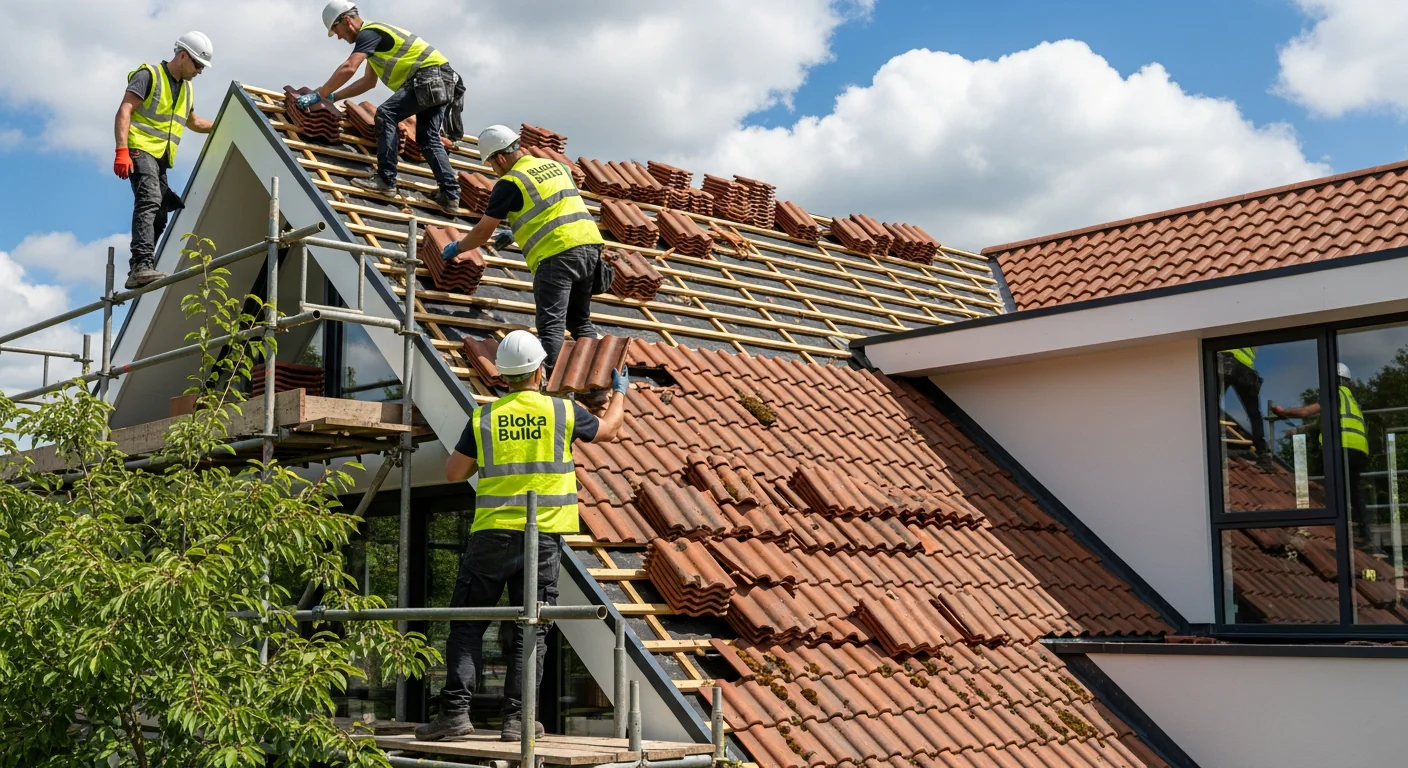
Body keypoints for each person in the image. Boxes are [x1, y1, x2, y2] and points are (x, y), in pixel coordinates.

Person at [416, 330, 628, 742]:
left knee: (467, 625)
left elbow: (454, 473)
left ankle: (455, 715)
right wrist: (620, 394)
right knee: (531, 628)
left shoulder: (484, 417)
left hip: (490, 537)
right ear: (540, 372)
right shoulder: (562, 412)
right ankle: (518, 721)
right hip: (542, 539)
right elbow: (608, 431)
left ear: (504, 376)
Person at [441, 126, 606, 374]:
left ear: (501, 157)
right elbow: (554, 205)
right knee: (580, 321)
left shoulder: (510, 183)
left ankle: (552, 387)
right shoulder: (556, 166)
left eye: (492, 165)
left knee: (551, 325)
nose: (494, 171)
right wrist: (515, 231)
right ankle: (598, 382)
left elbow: (482, 232)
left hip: (556, 254)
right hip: (590, 247)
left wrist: (458, 247)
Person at [298, 1, 462, 212]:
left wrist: (318, 94)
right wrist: (332, 96)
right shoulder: (374, 42)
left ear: (346, 20)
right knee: (427, 137)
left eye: (336, 31)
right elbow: (368, 82)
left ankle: (385, 181)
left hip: (429, 78)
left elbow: (349, 67)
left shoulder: (369, 34)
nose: (339, 37)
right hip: (443, 81)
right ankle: (450, 195)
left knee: (386, 114)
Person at [113, 32, 215, 289]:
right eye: (198, 65)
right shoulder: (149, 75)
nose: (200, 71)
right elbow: (125, 109)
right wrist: (121, 150)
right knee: (149, 200)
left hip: (160, 157)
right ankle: (141, 265)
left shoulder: (187, 89)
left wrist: (227, 122)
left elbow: (195, 122)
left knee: (160, 214)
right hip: (139, 149)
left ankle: (140, 267)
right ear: (183, 56)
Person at [1273, 362, 1370, 539]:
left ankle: (1335, 526)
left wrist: (1283, 412)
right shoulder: (1351, 400)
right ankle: (1365, 534)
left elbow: (1305, 412)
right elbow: (1323, 423)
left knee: (1331, 488)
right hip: (1359, 450)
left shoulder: (1333, 395)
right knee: (1355, 492)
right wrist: (1298, 431)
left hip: (1340, 447)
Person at [1219, 347, 1270, 467]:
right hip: (1247, 369)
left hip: (1228, 360)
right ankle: (1263, 454)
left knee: (1209, 405)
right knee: (1254, 414)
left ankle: (1214, 447)